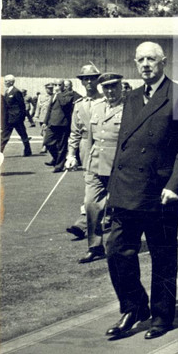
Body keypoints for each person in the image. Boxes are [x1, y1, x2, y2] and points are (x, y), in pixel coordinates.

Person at [104, 42, 178, 340]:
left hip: (161, 193)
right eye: (141, 60)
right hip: (127, 190)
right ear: (135, 63)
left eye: (152, 59)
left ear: (163, 62)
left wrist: (175, 186)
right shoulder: (131, 97)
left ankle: (161, 315)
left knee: (162, 256)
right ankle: (134, 306)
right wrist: (112, 190)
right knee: (117, 250)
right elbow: (124, 147)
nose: (146, 64)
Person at [68, 73, 126, 263]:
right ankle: (95, 246)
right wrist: (83, 160)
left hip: (118, 166)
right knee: (91, 204)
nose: (110, 91)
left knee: (119, 208)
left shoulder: (129, 108)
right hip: (94, 164)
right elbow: (91, 137)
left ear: (120, 87)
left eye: (114, 87)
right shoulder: (96, 107)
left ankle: (120, 245)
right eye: (106, 88)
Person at [64, 64, 103, 239]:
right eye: (85, 79)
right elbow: (74, 132)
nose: (88, 81)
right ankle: (86, 223)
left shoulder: (105, 100)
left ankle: (85, 223)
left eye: (92, 78)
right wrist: (71, 155)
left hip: (105, 146)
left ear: (98, 80)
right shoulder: (78, 105)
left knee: (107, 185)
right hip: (85, 147)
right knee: (91, 185)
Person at [44, 79, 81, 171]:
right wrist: (45, 122)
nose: (56, 87)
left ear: (63, 86)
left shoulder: (68, 94)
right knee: (48, 142)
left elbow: (64, 103)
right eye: (55, 84)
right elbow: (50, 109)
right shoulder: (54, 95)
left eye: (59, 85)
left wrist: (59, 93)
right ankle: (58, 159)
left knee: (62, 146)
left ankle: (59, 165)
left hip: (62, 123)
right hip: (52, 123)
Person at [1, 74, 32, 155]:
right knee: (4, 136)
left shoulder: (16, 92)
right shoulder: (7, 91)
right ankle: (0, 151)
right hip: (9, 118)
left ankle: (28, 151)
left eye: (6, 81)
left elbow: (21, 105)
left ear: (11, 82)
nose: (5, 82)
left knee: (23, 135)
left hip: (17, 118)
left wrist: (21, 116)